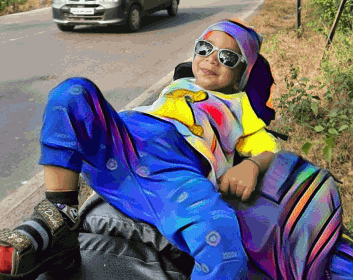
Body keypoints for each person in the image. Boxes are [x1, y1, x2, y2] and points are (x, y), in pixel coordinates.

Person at [0, 19, 280, 280]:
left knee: (222, 237)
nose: (211, 59)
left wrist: (252, 165)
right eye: (205, 48)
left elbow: (268, 149)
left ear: (242, 73)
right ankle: (61, 211)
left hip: (175, 170)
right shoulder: (180, 83)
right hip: (125, 142)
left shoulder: (241, 107)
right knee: (72, 92)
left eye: (227, 57)